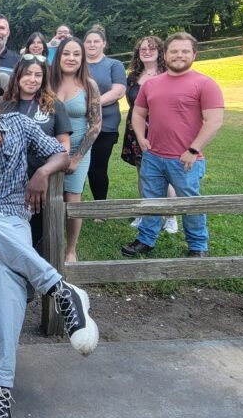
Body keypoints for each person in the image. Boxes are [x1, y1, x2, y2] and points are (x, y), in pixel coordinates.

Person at [0, 80, 97, 418]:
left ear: (0, 106)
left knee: (4, 277)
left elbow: (62, 154)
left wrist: (41, 171)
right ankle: (58, 286)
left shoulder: (20, 124)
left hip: (13, 221)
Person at [124, 32, 224, 258]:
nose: (179, 55)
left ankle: (198, 245)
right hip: (154, 156)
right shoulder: (152, 85)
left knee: (190, 203)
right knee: (151, 200)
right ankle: (145, 239)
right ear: (166, 55)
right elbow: (138, 114)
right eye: (174, 51)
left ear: (194, 54)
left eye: (185, 51)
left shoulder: (205, 84)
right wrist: (141, 137)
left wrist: (193, 150)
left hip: (186, 159)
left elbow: (214, 121)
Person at [1, 55, 72, 246]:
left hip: (42, 181)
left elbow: (64, 143)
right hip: (9, 184)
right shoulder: (3, 104)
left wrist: (46, 171)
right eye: (27, 74)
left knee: (38, 233)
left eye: (38, 75)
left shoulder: (53, 104)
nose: (32, 79)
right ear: (17, 76)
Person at [50, 37, 102, 262]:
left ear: (82, 59)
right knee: (47, 199)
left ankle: (70, 249)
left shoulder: (89, 85)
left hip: (78, 151)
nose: (71, 58)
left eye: (76, 54)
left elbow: (96, 125)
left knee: (73, 199)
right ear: (58, 56)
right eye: (66, 53)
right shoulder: (47, 83)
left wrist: (77, 158)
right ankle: (47, 243)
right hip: (49, 152)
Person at [121, 36, 178, 233]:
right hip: (136, 129)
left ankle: (170, 216)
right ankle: (145, 213)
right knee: (143, 172)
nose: (146, 51)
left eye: (151, 48)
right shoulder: (132, 76)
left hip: (161, 129)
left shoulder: (168, 74)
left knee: (166, 174)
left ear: (160, 52)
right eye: (143, 48)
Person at [84, 26, 126, 205]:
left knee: (97, 167)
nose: (92, 45)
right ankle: (67, 203)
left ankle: (100, 206)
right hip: (78, 123)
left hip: (105, 124)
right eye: (88, 41)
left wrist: (91, 104)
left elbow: (118, 91)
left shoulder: (114, 65)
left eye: (96, 41)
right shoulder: (76, 63)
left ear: (104, 44)